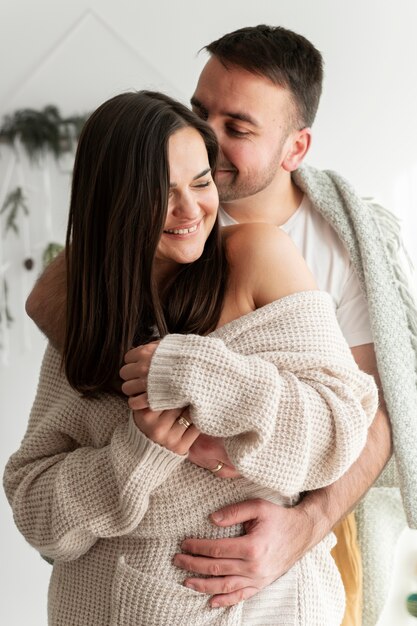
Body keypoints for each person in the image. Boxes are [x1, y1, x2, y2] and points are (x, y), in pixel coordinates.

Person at [23, 25, 417, 626]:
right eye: (201, 110)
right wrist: (150, 416)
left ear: (295, 148)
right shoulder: (157, 189)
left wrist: (302, 527)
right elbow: (60, 303)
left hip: (303, 532)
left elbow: (364, 416)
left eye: (238, 128)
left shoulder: (329, 246)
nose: (208, 137)